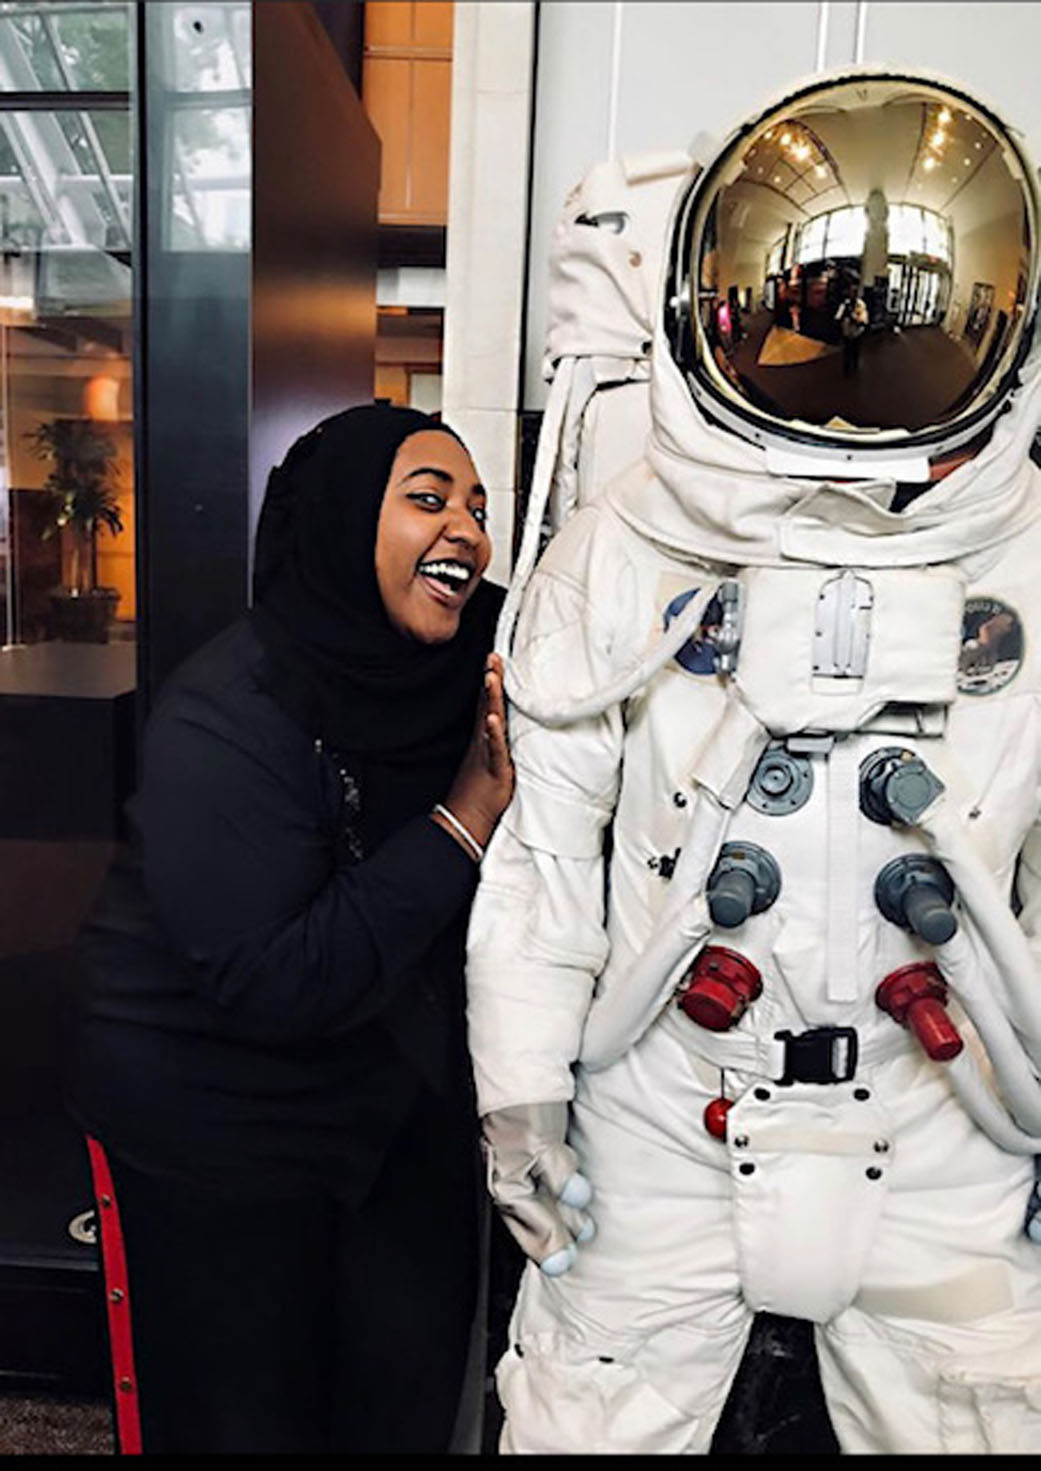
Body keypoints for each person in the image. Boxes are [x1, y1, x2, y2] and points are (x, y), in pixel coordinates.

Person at [467, 70, 1041, 1455]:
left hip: (947, 1093)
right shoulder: (630, 533)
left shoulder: (1020, 550)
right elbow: (551, 853)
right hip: (671, 1082)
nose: (853, 369)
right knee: (586, 1414)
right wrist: (522, 1086)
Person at [62, 404, 514, 1454]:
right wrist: (464, 817)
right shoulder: (229, 713)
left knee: (401, 1385)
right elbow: (274, 981)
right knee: (246, 1410)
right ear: (345, 522)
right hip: (214, 1111)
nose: (466, 529)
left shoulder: (458, 665)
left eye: (479, 507)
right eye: (429, 498)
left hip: (383, 1082)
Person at [835, 278, 869, 375]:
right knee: (846, 353)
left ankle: (854, 368)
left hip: (857, 332)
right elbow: (838, 317)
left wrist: (855, 319)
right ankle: (846, 370)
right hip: (846, 332)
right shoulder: (845, 304)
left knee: (855, 352)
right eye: (851, 292)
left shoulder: (861, 305)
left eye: (855, 292)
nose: (852, 294)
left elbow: (864, 320)